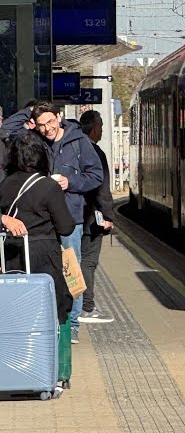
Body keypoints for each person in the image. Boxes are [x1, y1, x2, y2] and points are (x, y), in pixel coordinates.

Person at [3, 102, 103, 344]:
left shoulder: (79, 141)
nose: (47, 128)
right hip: (40, 223)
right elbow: (6, 128)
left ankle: (73, 324)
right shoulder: (33, 139)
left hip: (69, 215)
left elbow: (96, 175)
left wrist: (71, 182)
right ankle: (41, 322)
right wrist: (31, 110)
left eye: (50, 122)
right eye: (41, 124)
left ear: (60, 117)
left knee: (70, 269)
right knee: (44, 272)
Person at [1, 131, 76, 393]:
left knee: (14, 312)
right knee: (57, 306)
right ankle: (53, 372)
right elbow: (66, 227)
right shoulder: (49, 186)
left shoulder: (5, 184)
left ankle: (14, 369)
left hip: (10, 255)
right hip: (43, 254)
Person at [77, 110, 114, 324]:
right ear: (94, 127)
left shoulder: (75, 148)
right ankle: (86, 307)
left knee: (77, 260)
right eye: (100, 126)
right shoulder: (94, 152)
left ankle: (78, 306)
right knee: (88, 261)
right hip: (92, 216)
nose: (101, 130)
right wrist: (108, 215)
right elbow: (102, 187)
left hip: (74, 215)